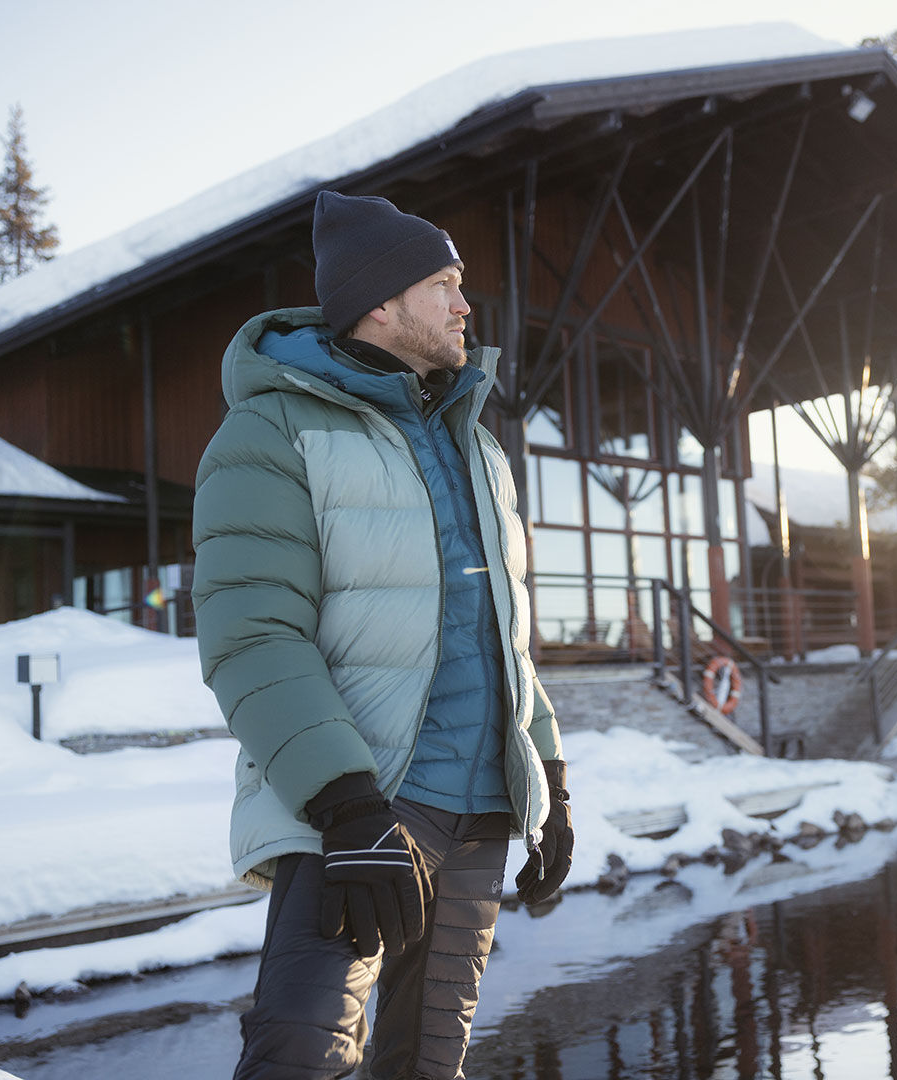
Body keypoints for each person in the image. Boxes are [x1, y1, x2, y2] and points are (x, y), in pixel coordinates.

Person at [192, 190, 574, 1080]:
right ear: (380, 301)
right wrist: (346, 805)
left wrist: (547, 775)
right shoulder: (273, 428)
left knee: (427, 1064)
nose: (464, 305)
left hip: (479, 807)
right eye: (444, 283)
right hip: (370, 807)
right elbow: (253, 635)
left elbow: (504, 635)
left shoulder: (477, 446)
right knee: (300, 1053)